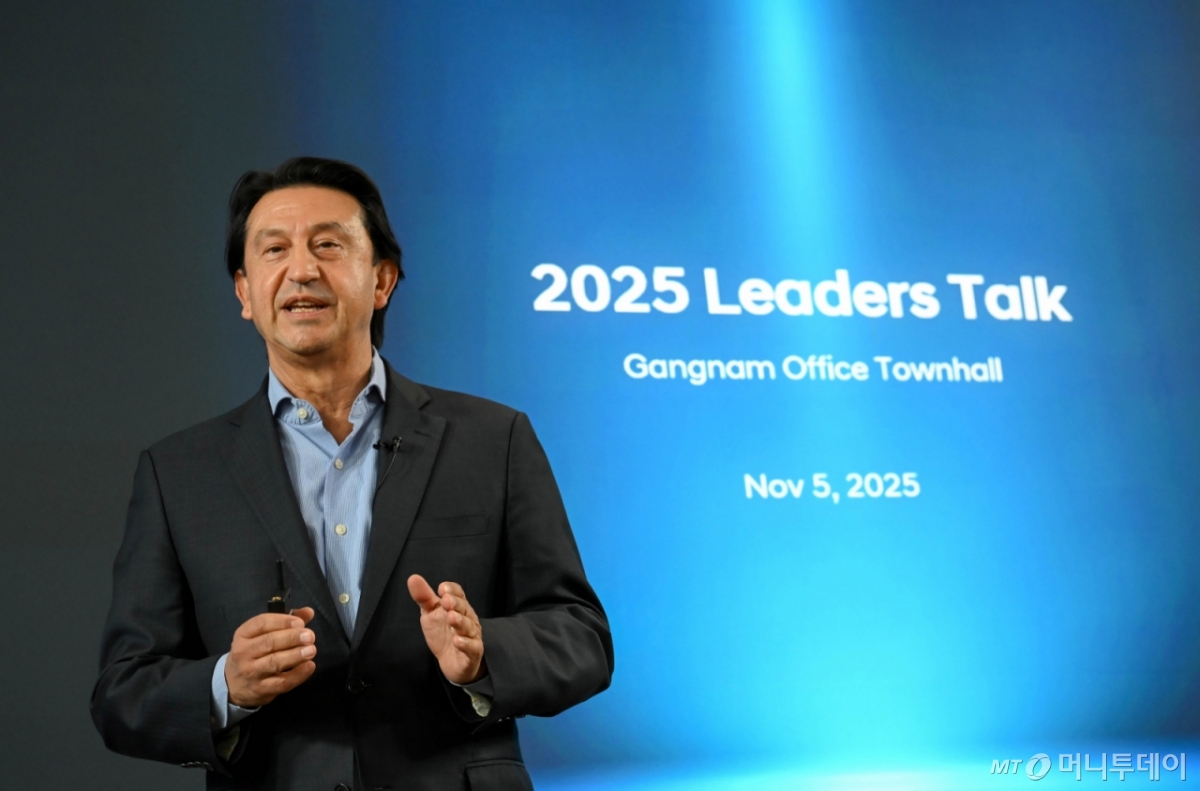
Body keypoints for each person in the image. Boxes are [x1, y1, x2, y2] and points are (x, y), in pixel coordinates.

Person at [91, 157, 613, 791]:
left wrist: (483, 657)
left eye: (328, 246)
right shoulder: (177, 472)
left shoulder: (492, 439)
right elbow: (123, 692)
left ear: (382, 279)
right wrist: (227, 685)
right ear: (245, 293)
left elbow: (580, 637)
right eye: (275, 249)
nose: (302, 269)